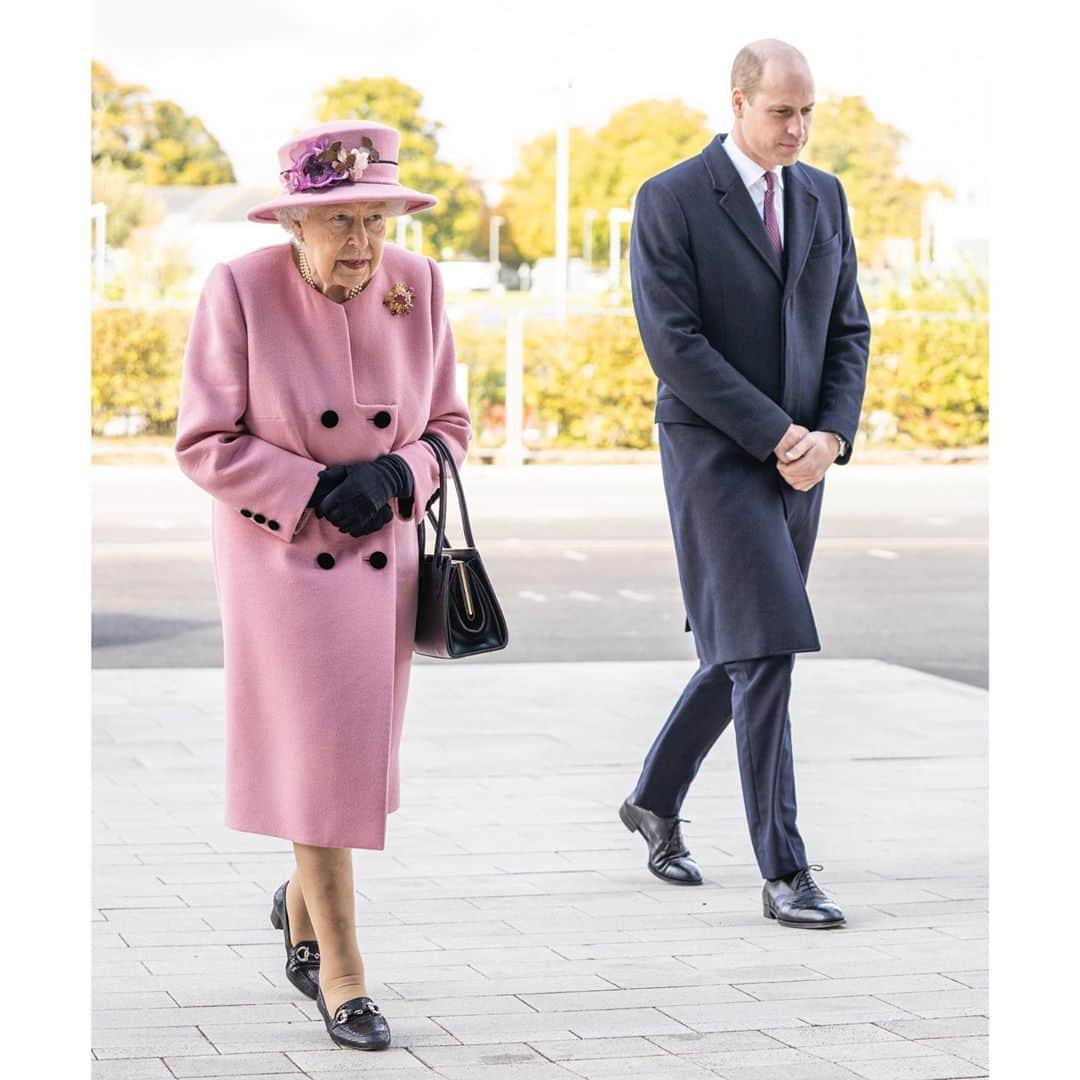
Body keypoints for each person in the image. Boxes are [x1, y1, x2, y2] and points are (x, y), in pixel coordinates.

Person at [174, 120, 471, 1048]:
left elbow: (452, 425)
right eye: (338, 220)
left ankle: (302, 900)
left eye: (373, 218)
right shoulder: (240, 288)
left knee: (348, 757)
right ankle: (341, 974)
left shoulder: (417, 285)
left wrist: (399, 474)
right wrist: (308, 489)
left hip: (382, 558)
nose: (360, 242)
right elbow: (203, 442)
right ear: (293, 224)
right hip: (282, 564)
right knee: (319, 756)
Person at [621, 39, 870, 929]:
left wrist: (830, 437)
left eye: (807, 112)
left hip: (805, 458)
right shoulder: (672, 199)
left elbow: (849, 329)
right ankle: (785, 870)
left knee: (740, 644)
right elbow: (674, 346)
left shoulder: (825, 196)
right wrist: (777, 434)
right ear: (737, 102)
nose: (797, 128)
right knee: (764, 649)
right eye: (781, 111)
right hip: (716, 452)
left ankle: (654, 797)